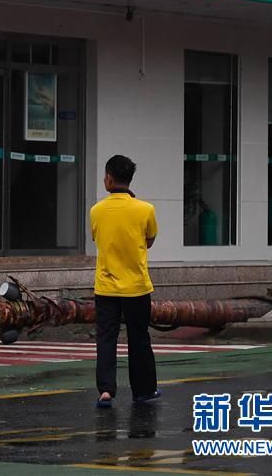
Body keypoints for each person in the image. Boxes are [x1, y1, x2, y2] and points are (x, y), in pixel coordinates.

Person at [90, 155, 160, 408]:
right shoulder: (146, 210)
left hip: (106, 287)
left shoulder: (96, 211)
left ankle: (106, 391)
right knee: (138, 337)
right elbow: (149, 240)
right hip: (136, 287)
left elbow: (98, 238)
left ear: (109, 179)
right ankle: (144, 391)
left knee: (106, 338)